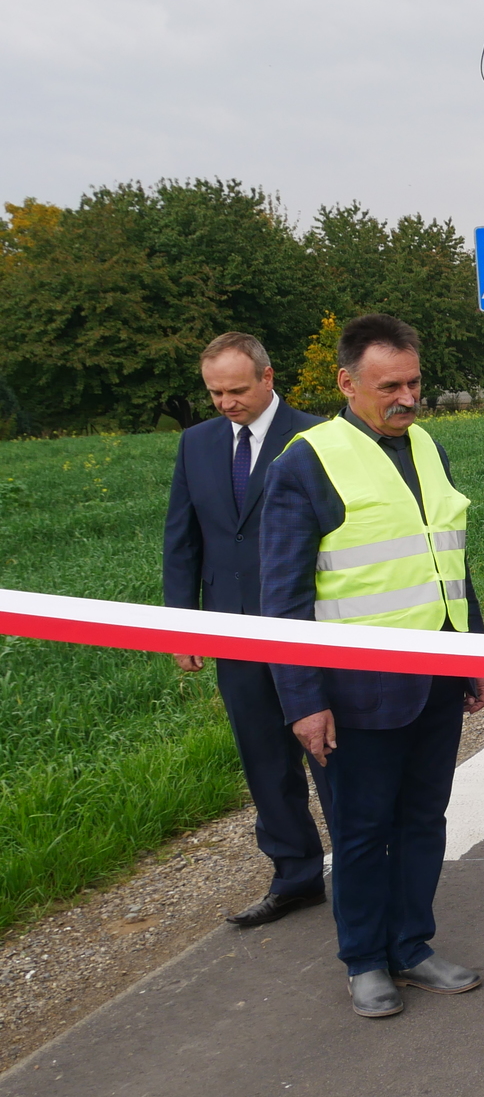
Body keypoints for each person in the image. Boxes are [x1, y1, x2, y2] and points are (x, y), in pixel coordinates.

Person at [261, 314, 484, 1020]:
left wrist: (475, 653)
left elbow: (448, 558)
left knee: (424, 819)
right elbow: (282, 598)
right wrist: (303, 701)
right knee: (362, 831)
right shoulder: (307, 462)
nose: (407, 398)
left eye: (414, 382)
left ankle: (411, 945)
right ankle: (364, 959)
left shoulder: (427, 446)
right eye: (390, 386)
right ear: (347, 383)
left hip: (437, 676)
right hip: (355, 692)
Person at [163, 332, 335, 927]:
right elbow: (182, 539)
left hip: (309, 628)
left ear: (267, 377)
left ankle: (362, 871)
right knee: (264, 757)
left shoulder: (318, 437)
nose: (225, 403)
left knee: (328, 752)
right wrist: (183, 625)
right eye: (215, 393)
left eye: (236, 390)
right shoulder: (196, 444)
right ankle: (295, 876)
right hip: (233, 628)